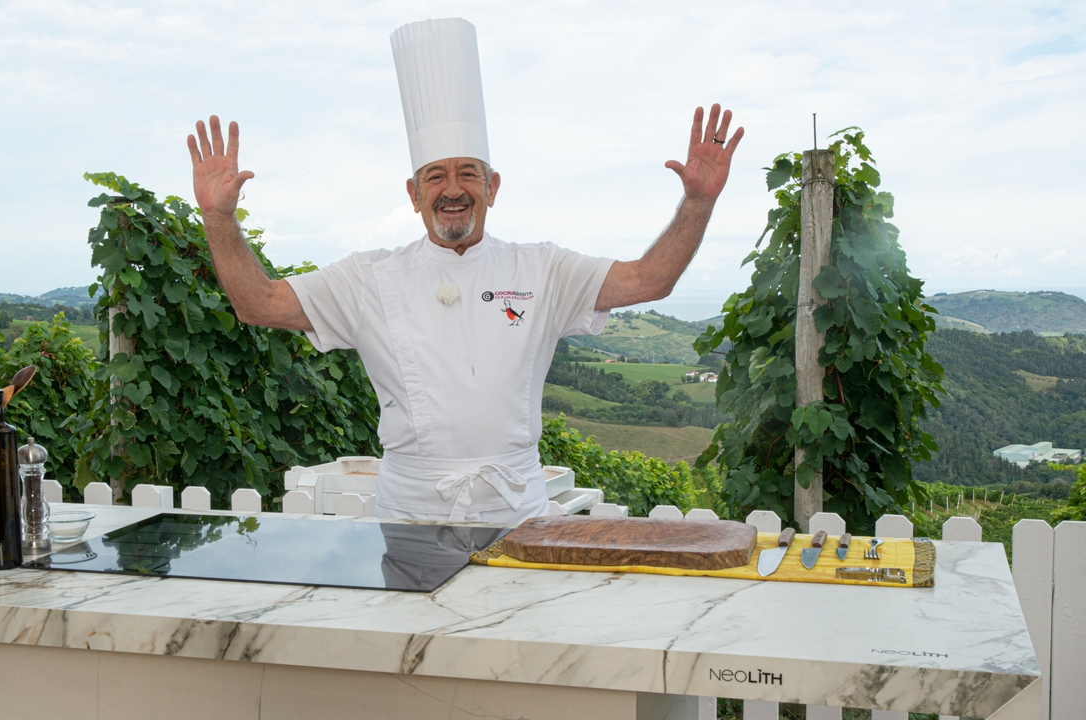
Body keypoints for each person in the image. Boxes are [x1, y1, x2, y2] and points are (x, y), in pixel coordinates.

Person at [185, 18, 743, 524]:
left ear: (492, 187)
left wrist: (698, 203)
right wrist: (218, 217)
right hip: (409, 517)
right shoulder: (368, 278)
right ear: (413, 194)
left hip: (517, 509)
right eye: (435, 176)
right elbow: (257, 303)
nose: (452, 189)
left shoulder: (543, 268)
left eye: (468, 173)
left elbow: (650, 280)